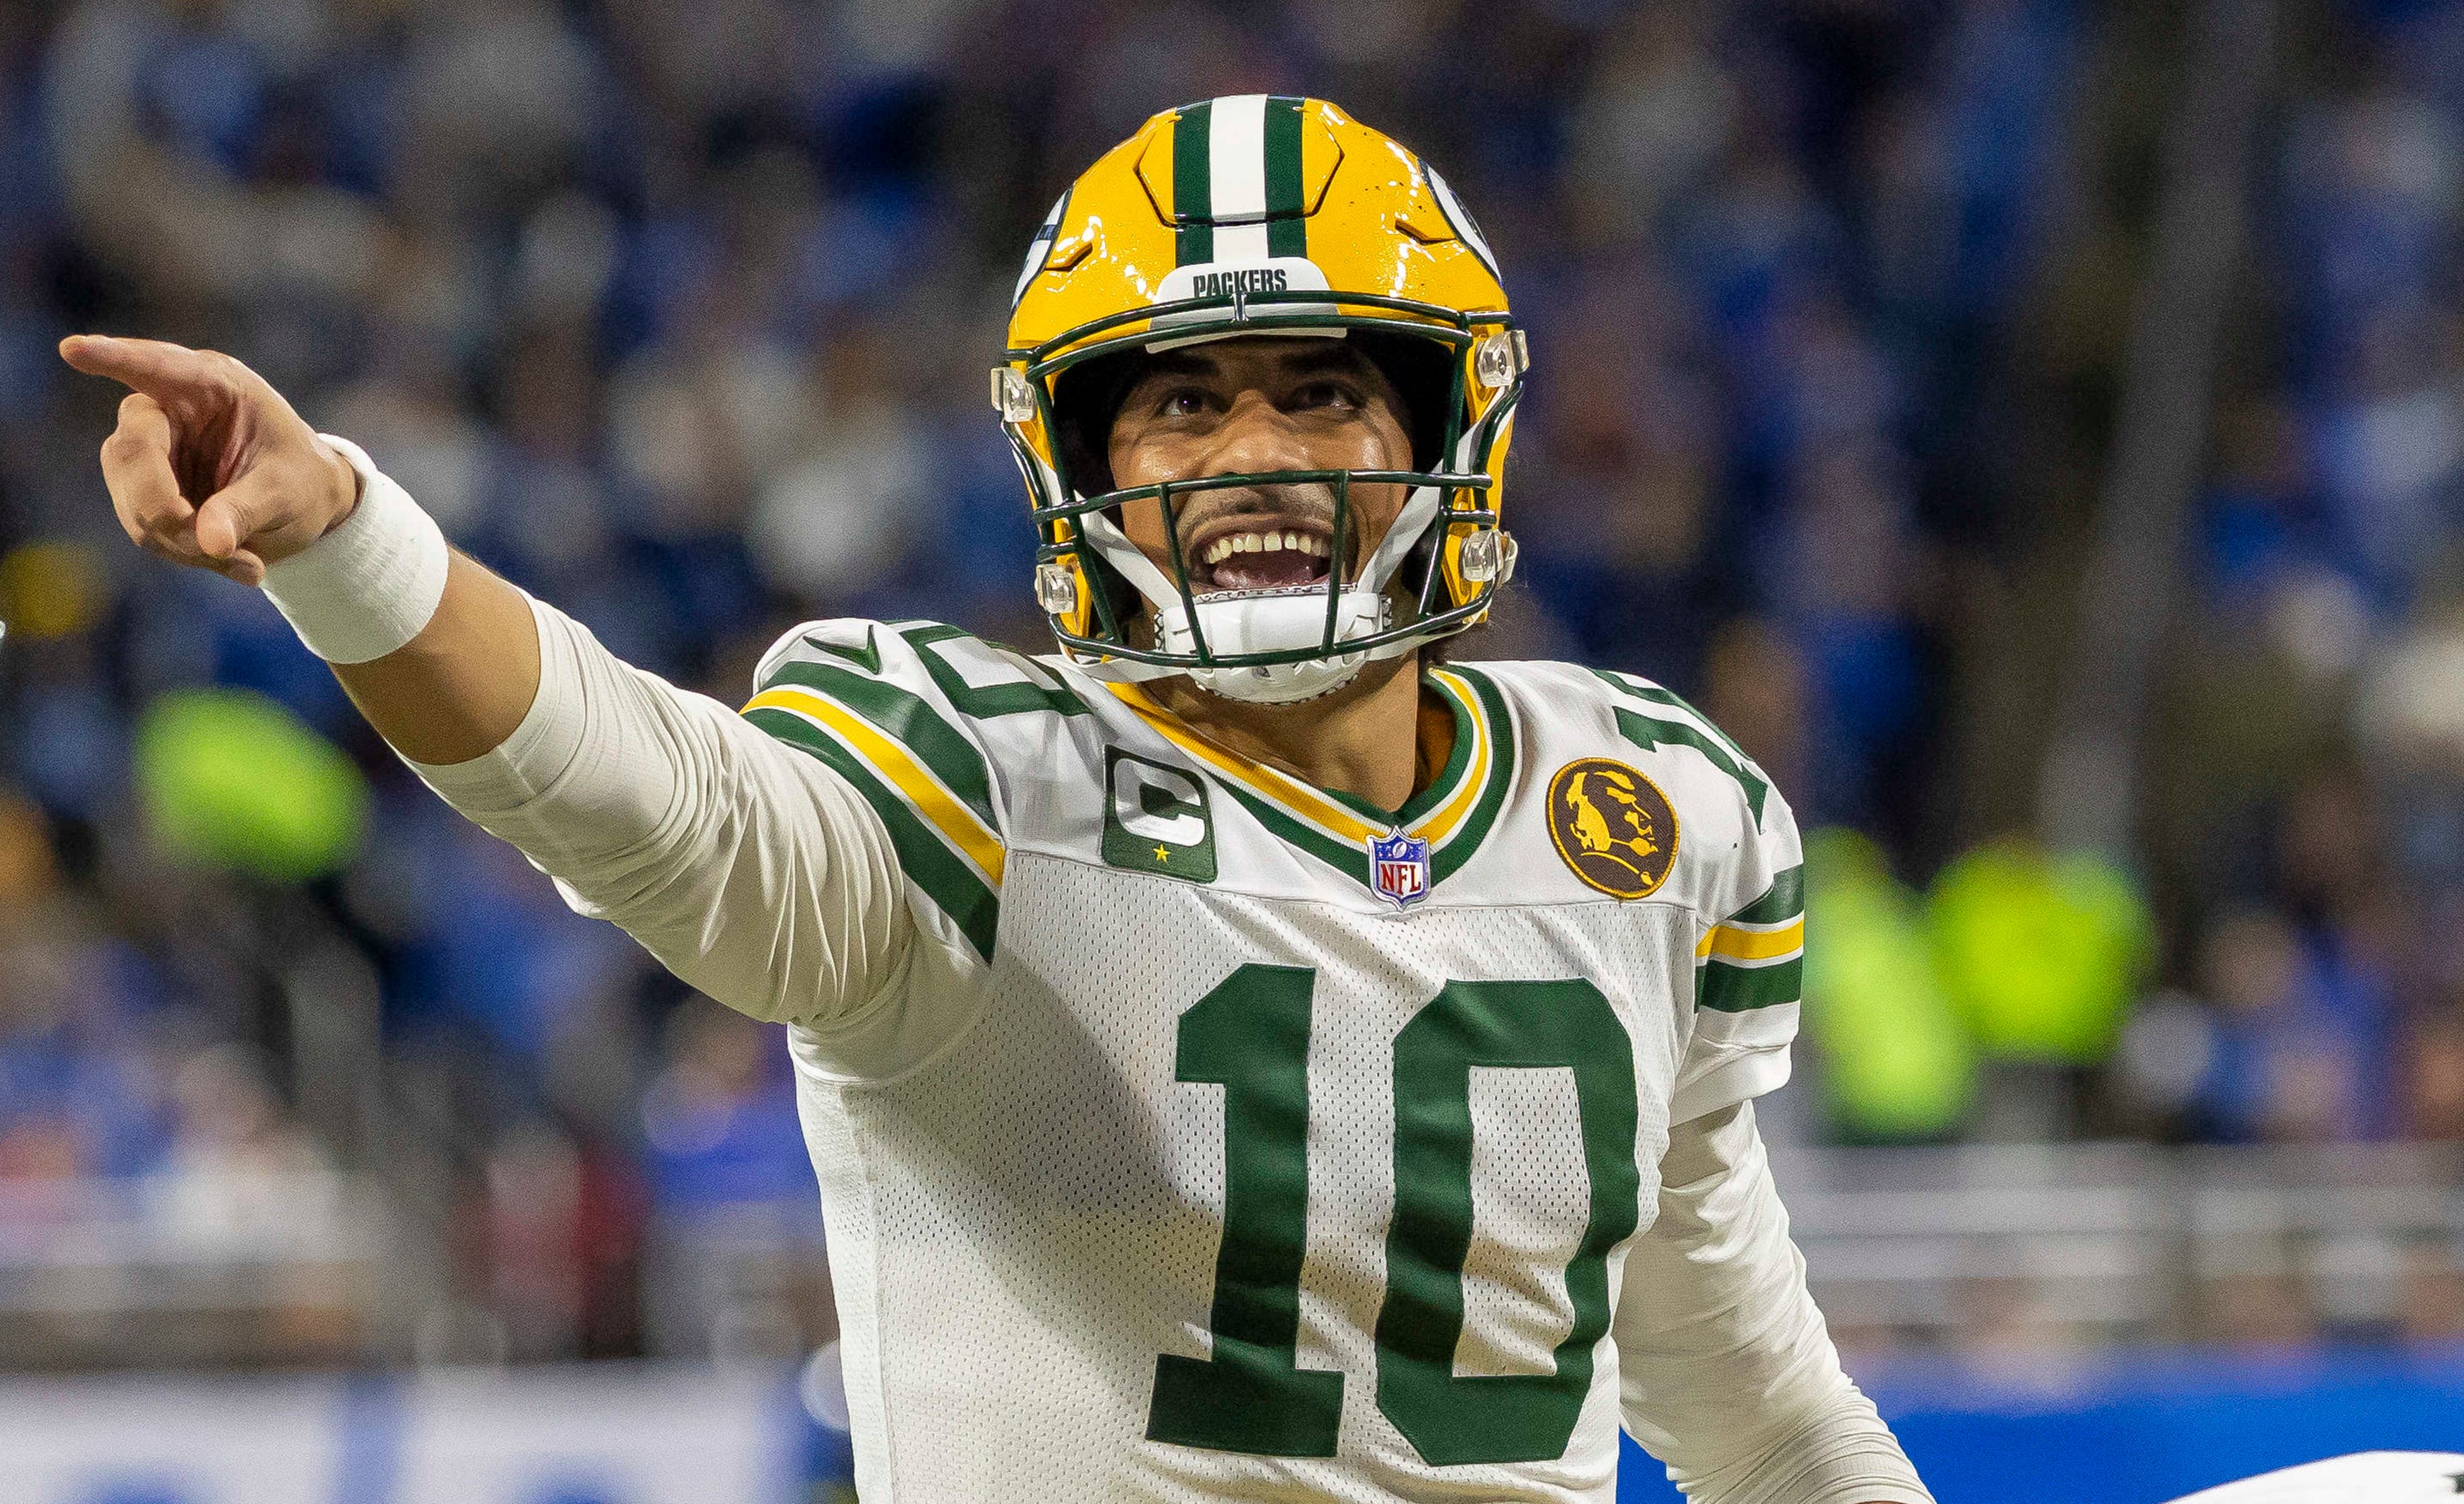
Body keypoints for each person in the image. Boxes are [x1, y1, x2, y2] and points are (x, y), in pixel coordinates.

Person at [62, 97, 1929, 1504]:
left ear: (1444, 438)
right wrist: (351, 544)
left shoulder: (1647, 809)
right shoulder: (970, 777)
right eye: (1180, 408)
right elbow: (651, 798)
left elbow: (1741, 1390)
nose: (1252, 455)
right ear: (1078, 460)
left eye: (1320, 392)